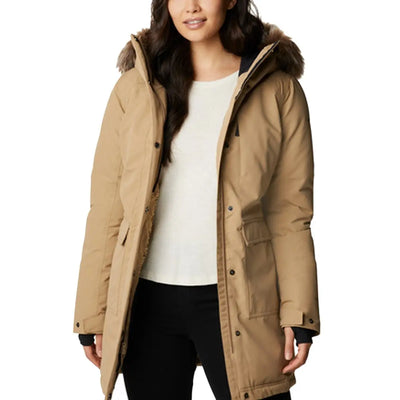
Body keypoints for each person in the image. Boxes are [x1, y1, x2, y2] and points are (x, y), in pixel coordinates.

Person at [73, 1, 321, 399]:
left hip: (243, 298)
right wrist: (93, 309)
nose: (191, 6)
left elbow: (289, 212)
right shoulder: (135, 88)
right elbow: (108, 209)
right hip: (146, 301)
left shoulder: (276, 89)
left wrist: (299, 311)